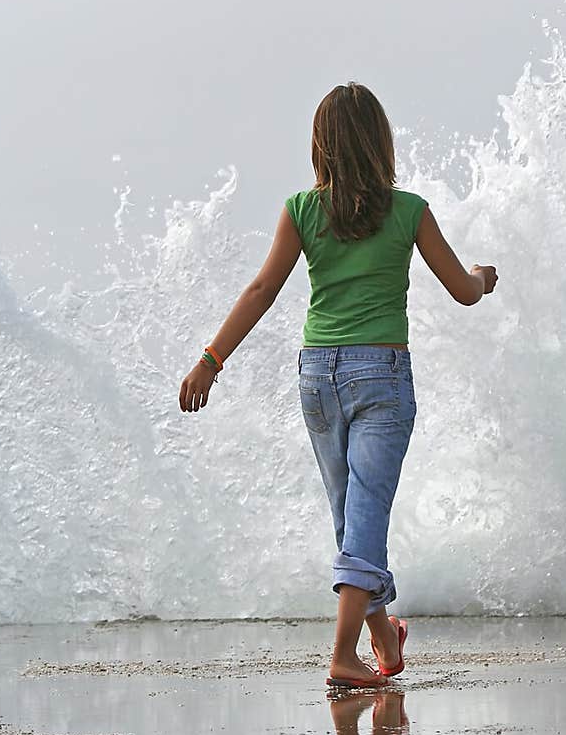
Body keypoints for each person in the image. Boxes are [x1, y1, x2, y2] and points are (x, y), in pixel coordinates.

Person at [179, 83, 497, 687]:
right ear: (381, 144)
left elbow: (261, 291)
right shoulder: (409, 211)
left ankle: (384, 640)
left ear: (321, 146)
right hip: (380, 376)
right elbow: (461, 289)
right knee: (366, 514)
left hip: (318, 378)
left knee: (351, 516)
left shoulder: (302, 210)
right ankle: (344, 656)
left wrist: (210, 361)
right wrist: (483, 275)